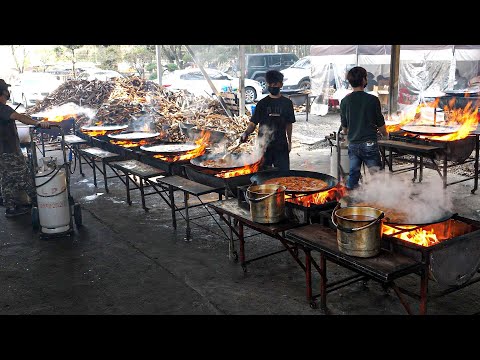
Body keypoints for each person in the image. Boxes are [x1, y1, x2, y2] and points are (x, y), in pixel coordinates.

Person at [0, 79, 52, 217]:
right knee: (24, 177)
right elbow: (19, 117)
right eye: (7, 90)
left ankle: (10, 208)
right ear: (4, 92)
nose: (8, 92)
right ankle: (43, 203)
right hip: (8, 151)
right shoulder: (2, 108)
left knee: (7, 179)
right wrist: (38, 123)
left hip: (3, 151)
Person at [340, 67, 388, 190]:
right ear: (363, 80)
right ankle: (380, 202)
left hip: (353, 145)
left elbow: (345, 128)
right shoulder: (372, 100)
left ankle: (351, 203)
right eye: (366, 77)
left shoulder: (345, 101)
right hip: (369, 145)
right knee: (377, 177)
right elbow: (380, 124)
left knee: (353, 175)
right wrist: (385, 135)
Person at [239, 70, 295, 171]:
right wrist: (246, 133)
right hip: (263, 146)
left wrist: (290, 142)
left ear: (281, 84)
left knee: (283, 175)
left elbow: (289, 124)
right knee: (263, 175)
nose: (272, 86)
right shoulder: (262, 104)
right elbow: (253, 122)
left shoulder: (287, 103)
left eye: (275, 84)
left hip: (281, 145)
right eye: (270, 84)